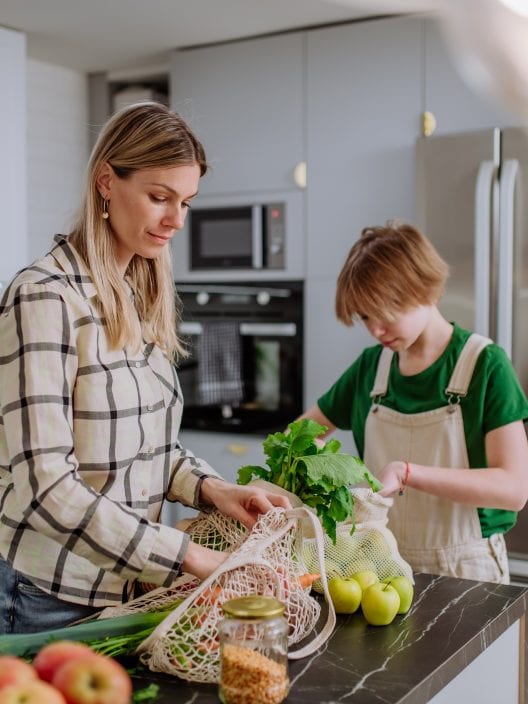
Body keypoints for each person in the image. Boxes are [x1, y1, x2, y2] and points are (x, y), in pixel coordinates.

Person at [0, 102, 290, 634]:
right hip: (43, 596)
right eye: (160, 197)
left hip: (126, 589)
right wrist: (187, 557)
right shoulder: (43, 299)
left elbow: (144, 449)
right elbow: (46, 487)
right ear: (106, 182)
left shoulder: (138, 294)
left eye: (186, 202)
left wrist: (213, 492)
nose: (176, 220)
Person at [299, 221, 528, 584]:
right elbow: (302, 438)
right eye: (364, 316)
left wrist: (408, 472)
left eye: (383, 310)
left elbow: (513, 490)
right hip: (377, 565)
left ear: (424, 290)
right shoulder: (370, 369)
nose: (375, 330)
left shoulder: (484, 365)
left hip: (465, 569)